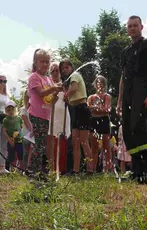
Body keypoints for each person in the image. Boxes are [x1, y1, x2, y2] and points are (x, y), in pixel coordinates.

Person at [117, 15, 147, 183]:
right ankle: (136, 170)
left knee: (138, 126)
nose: (132, 28)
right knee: (127, 130)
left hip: (142, 87)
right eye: (129, 26)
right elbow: (123, 78)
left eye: (135, 25)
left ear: (141, 27)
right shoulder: (125, 51)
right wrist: (119, 101)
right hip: (128, 92)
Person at [27, 49, 60, 180]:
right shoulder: (34, 77)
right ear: (36, 62)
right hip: (36, 114)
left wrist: (57, 92)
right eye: (42, 61)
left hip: (45, 115)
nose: (45, 64)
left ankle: (40, 171)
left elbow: (52, 99)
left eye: (47, 61)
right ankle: (33, 170)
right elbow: (41, 93)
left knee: (42, 145)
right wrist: (55, 88)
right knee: (39, 144)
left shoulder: (49, 79)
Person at [60, 58, 93, 175]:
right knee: (75, 142)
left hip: (82, 108)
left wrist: (66, 94)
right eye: (62, 68)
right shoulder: (68, 81)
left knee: (84, 141)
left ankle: (90, 169)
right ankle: (76, 170)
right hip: (74, 109)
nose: (64, 70)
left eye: (66, 67)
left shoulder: (75, 75)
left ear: (71, 67)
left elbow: (73, 89)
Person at [87, 75, 112, 173]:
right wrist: (98, 109)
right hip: (93, 121)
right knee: (94, 147)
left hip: (104, 121)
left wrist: (95, 108)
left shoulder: (107, 96)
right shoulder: (91, 97)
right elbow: (88, 109)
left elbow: (107, 110)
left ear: (104, 84)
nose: (99, 84)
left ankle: (108, 170)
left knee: (106, 146)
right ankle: (92, 169)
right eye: (97, 82)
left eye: (101, 82)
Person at [2, 100, 24, 171]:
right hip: (11, 140)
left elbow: (22, 127)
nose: (11, 111)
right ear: (6, 110)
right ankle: (8, 169)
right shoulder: (6, 120)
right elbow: (4, 131)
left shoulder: (18, 118)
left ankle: (21, 169)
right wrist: (10, 140)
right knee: (11, 155)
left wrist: (21, 134)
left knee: (21, 154)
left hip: (19, 140)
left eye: (12, 109)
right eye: (8, 110)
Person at [20, 90, 33, 170]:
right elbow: (25, 120)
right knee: (25, 152)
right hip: (26, 133)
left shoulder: (34, 108)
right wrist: (31, 129)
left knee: (33, 151)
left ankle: (30, 168)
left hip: (33, 133)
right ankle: (23, 168)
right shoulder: (23, 109)